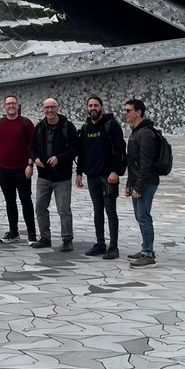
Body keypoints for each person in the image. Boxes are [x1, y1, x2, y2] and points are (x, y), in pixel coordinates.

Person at [76, 96, 126, 260]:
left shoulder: (111, 125)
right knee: (97, 210)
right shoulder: (85, 127)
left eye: (95, 105)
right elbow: (82, 152)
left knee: (110, 211)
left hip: (108, 176)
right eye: (90, 105)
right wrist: (78, 173)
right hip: (92, 176)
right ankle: (100, 243)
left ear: (101, 107)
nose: (93, 108)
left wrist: (115, 172)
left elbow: (120, 150)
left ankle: (113, 247)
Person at [0, 95, 37, 244]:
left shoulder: (26, 123)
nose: (11, 106)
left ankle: (32, 233)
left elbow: (33, 145)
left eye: (13, 103)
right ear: (4, 107)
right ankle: (13, 231)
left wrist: (30, 165)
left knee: (26, 200)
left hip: (22, 170)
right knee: (10, 201)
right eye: (8, 104)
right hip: (4, 170)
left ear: (18, 106)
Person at [30, 98, 79, 252]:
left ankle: (67, 239)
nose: (49, 110)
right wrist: (35, 158)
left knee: (64, 209)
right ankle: (45, 237)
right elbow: (31, 148)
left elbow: (75, 149)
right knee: (40, 208)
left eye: (52, 107)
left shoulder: (67, 127)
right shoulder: (38, 127)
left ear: (57, 108)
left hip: (62, 177)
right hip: (43, 176)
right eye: (47, 108)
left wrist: (60, 158)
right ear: (43, 110)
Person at [123, 98, 161, 268]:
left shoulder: (145, 133)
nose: (125, 113)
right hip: (136, 181)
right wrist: (129, 185)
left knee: (144, 216)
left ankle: (148, 253)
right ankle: (145, 248)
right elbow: (133, 162)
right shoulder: (136, 131)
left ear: (138, 112)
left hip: (145, 183)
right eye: (125, 110)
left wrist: (138, 187)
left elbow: (145, 163)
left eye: (128, 110)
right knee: (140, 216)